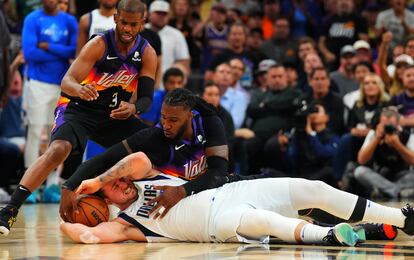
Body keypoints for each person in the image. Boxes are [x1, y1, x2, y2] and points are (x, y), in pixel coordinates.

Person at [0, 0, 157, 237]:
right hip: (79, 110)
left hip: (113, 116)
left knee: (153, 148)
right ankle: (10, 210)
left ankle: (141, 213)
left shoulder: (147, 53)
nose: (127, 28)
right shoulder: (99, 44)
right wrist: (79, 89)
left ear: (142, 23)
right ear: (115, 19)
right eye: (123, 22)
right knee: (58, 150)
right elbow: (67, 81)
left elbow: (146, 99)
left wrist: (133, 108)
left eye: (133, 24)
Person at [60, 152, 414, 244]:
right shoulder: (125, 224)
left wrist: (95, 179)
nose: (119, 183)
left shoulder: (143, 173)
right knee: (264, 223)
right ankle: (328, 236)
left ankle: (401, 216)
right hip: (218, 224)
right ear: (103, 202)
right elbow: (88, 235)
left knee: (315, 190)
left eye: (116, 179)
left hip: (232, 190)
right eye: (111, 188)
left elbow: (135, 161)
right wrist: (71, 209)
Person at [59, 88, 229, 223]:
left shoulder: (209, 123)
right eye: (163, 118)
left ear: (190, 115)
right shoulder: (154, 136)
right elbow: (105, 158)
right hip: (178, 206)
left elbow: (218, 172)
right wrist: (68, 186)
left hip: (212, 194)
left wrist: (181, 191)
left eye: (173, 120)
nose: (166, 125)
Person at [21, 0, 77, 175]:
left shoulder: (69, 20)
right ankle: (28, 181)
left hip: (62, 84)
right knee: (36, 132)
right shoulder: (32, 19)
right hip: (38, 82)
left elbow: (74, 51)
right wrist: (61, 52)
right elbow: (30, 53)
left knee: (58, 134)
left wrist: (48, 46)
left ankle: (52, 183)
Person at [354, 107, 414, 199]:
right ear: (379, 124)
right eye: (385, 125)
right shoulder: (374, 134)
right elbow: (361, 160)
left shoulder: (407, 135)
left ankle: (385, 191)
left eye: (391, 126)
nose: (388, 128)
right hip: (379, 175)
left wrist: (398, 145)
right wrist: (377, 139)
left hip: (401, 175)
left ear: (398, 124)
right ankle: (398, 192)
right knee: (359, 171)